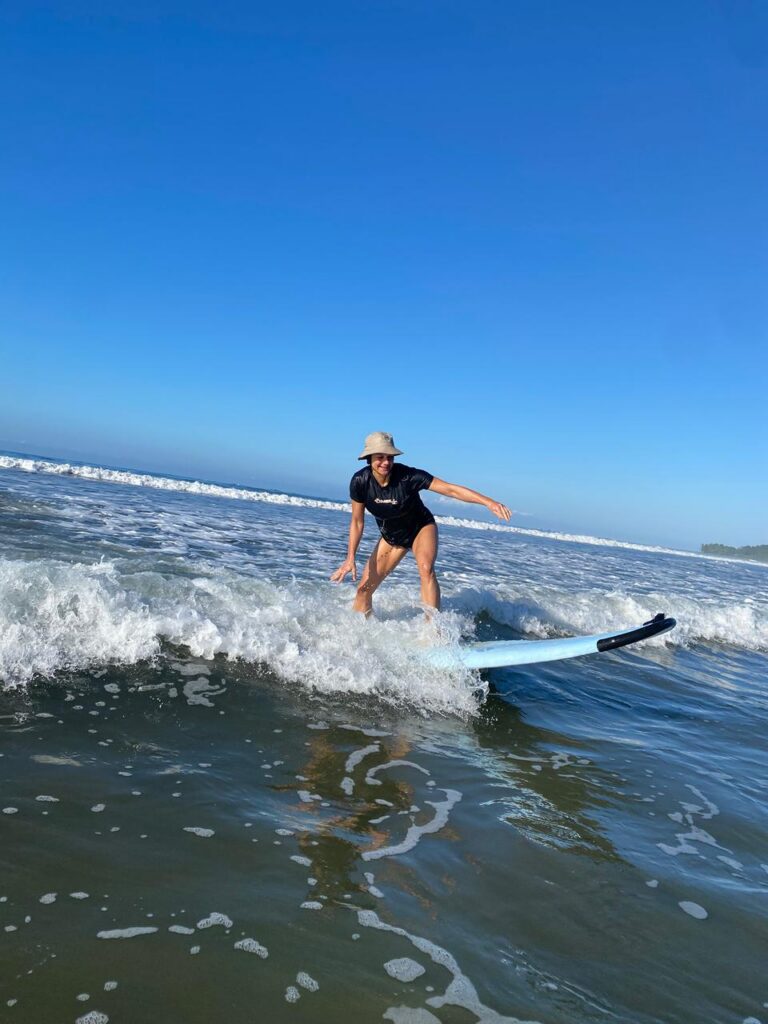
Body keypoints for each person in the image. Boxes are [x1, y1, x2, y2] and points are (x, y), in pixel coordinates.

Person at [330, 431, 512, 615]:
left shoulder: (408, 476)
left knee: (426, 569)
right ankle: (364, 628)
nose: (386, 462)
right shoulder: (360, 482)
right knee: (363, 591)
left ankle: (434, 626)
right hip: (392, 537)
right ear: (369, 458)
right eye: (380, 457)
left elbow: (450, 490)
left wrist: (489, 502)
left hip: (420, 528)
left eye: (390, 457)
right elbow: (357, 521)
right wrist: (350, 558)